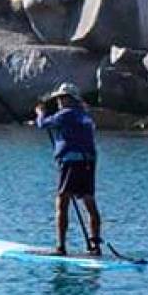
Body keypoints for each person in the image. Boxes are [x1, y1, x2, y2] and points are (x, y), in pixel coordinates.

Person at [34, 82, 102, 257]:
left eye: (62, 98)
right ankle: (95, 245)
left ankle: (60, 247)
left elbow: (43, 124)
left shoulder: (65, 115)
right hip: (88, 162)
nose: (59, 101)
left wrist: (40, 113)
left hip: (71, 163)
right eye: (58, 99)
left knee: (62, 202)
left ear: (70, 99)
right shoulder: (85, 116)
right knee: (89, 201)